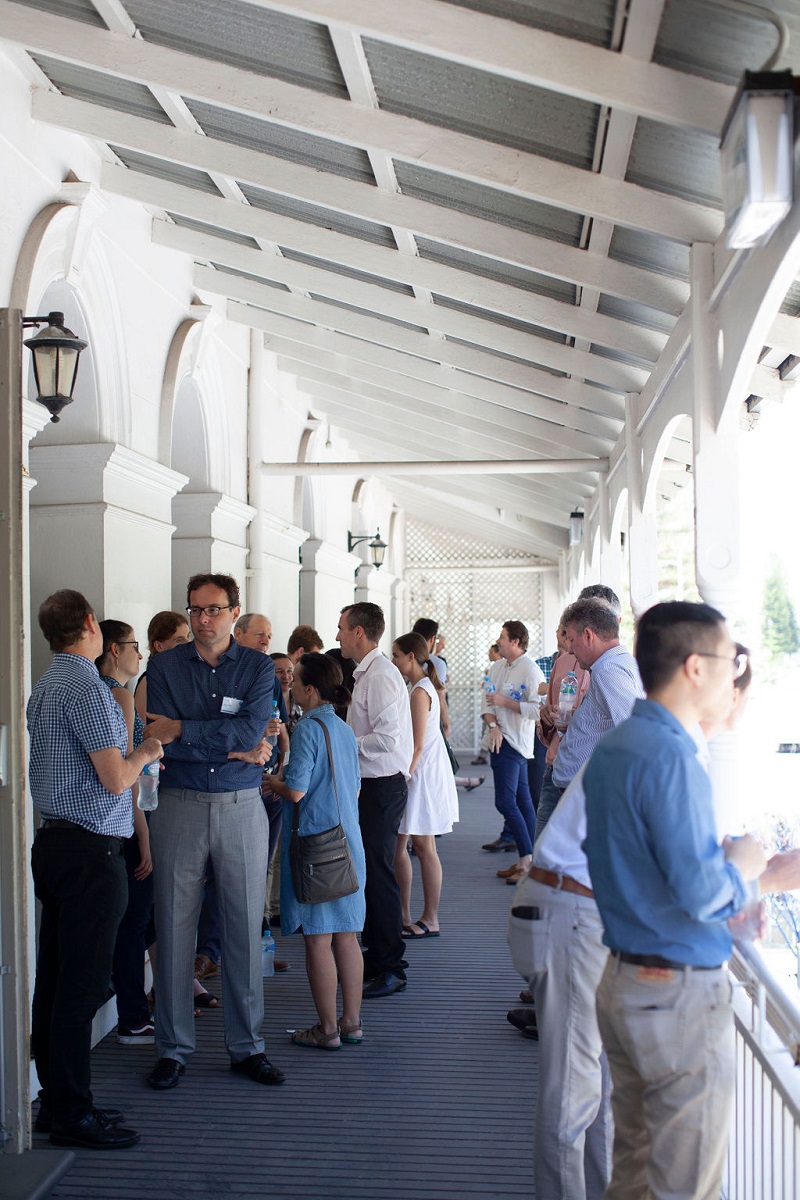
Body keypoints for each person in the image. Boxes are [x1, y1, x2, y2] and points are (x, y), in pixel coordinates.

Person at [583, 601, 768, 1200]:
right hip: (677, 996)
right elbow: (701, 891)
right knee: (684, 1185)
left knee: (634, 1169)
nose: (732, 674)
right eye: (729, 659)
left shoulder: (618, 746)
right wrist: (747, 867)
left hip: (625, 980)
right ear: (695, 667)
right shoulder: (672, 757)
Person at [28, 590, 162, 1149]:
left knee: (57, 983)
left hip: (57, 845)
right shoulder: (85, 685)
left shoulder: (45, 683)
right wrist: (148, 750)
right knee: (80, 988)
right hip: (89, 852)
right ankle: (72, 1115)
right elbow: (115, 777)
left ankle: (58, 1103)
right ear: (89, 625)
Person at [144, 573, 284, 1090]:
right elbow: (157, 739)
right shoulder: (163, 666)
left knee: (244, 927)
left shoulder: (255, 667)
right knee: (175, 928)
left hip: (240, 805)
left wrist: (183, 729)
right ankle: (173, 1049)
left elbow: (250, 731)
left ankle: (248, 1048)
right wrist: (226, 747)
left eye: (215, 609)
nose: (204, 619)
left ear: (234, 610)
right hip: (178, 805)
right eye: (196, 610)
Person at [264, 654, 365, 1049]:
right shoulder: (341, 727)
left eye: (296, 682)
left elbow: (297, 790)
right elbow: (354, 786)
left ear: (309, 689)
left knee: (318, 939)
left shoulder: (307, 729)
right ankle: (352, 1023)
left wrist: (271, 781)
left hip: (316, 849)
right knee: (347, 937)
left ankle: (327, 1030)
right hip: (347, 842)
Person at [336, 602, 413, 998]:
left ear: (359, 633)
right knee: (370, 872)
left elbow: (387, 738)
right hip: (374, 784)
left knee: (378, 874)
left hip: (382, 785)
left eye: (341, 629)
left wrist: (342, 743)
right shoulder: (370, 673)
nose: (337, 637)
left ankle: (391, 966)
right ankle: (379, 957)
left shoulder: (380, 675)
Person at [536, 595, 641, 841]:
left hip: (586, 795)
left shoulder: (608, 672)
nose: (569, 649)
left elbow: (633, 735)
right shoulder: (618, 664)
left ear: (588, 635)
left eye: (571, 639)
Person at [95, 620, 155, 1046]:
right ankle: (134, 1015)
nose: (141, 654)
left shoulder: (108, 691)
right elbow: (127, 772)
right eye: (135, 646)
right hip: (125, 821)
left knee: (133, 920)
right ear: (115, 649)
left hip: (114, 822)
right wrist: (145, 836)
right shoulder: (117, 694)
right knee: (135, 921)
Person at [392, 633, 459, 939]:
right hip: (423, 772)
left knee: (420, 845)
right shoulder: (419, 687)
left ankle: (427, 916)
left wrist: (402, 777)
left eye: (396, 655)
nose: (393, 661)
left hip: (422, 775)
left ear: (410, 657)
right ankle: (405, 914)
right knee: (407, 845)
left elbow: (416, 746)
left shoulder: (420, 691)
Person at [481, 621, 544, 886]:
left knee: (506, 802)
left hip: (516, 742)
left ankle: (527, 860)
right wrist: (493, 726)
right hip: (499, 739)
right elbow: (486, 702)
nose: (499, 641)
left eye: (503, 637)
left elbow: (538, 710)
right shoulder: (497, 667)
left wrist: (505, 702)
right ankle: (526, 861)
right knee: (522, 800)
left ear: (516, 641)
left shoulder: (530, 670)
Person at [133, 610, 191, 725]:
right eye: (180, 640)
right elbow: (144, 729)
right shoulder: (148, 681)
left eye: (188, 637)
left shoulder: (185, 676)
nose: (188, 643)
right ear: (159, 646)